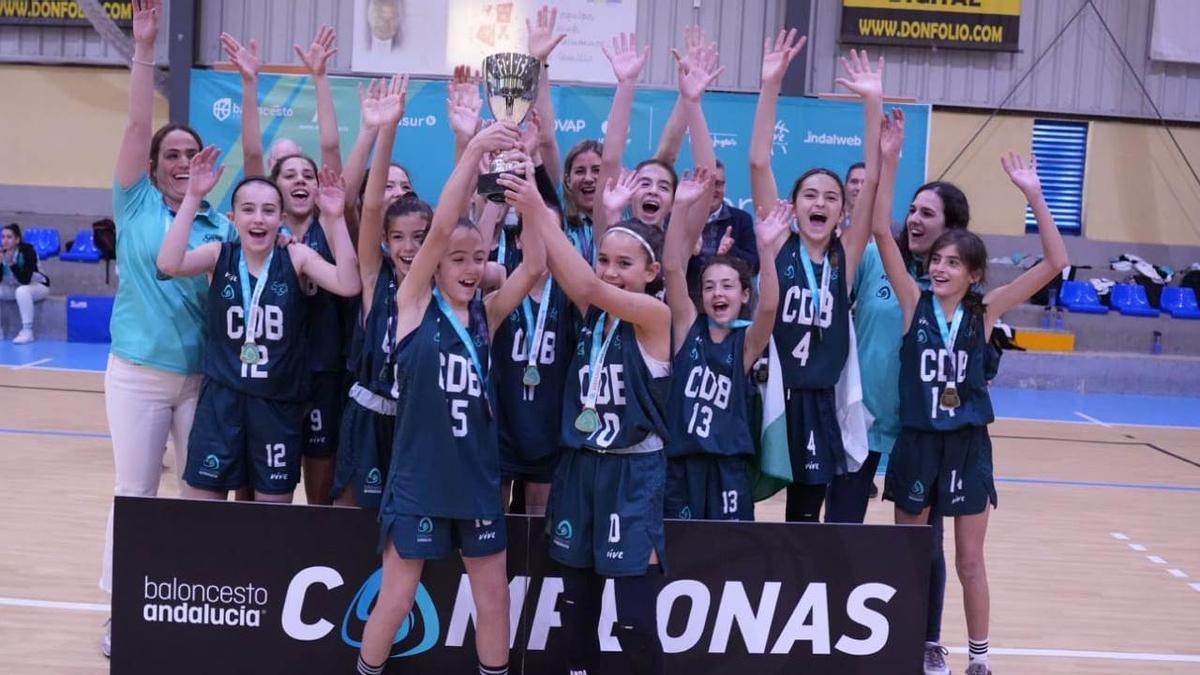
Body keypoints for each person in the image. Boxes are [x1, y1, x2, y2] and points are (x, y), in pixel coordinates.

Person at [874, 111, 1070, 675]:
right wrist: (889, 160)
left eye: (952, 262)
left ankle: (979, 660)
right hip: (916, 442)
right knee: (909, 557)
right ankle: (906, 646)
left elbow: (1056, 262)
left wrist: (1034, 195)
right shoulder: (913, 303)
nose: (939, 267)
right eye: (937, 260)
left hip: (966, 446)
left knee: (967, 559)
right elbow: (885, 233)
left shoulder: (987, 313)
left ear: (974, 275)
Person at [357, 123, 546, 675]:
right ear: (434, 265)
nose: (468, 268)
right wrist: (476, 151)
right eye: (457, 258)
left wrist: (529, 194)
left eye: (477, 258)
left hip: (477, 481)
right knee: (396, 596)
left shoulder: (486, 317)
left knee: (495, 600)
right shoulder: (413, 305)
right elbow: (440, 229)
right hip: (417, 479)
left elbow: (534, 266)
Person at [98, 0, 238, 657]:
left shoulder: (217, 225)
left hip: (201, 380)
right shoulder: (133, 200)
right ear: (153, 163)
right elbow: (133, 121)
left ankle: (191, 606)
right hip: (138, 374)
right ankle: (120, 610)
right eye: (172, 152)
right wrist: (145, 45)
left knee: (200, 495)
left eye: (193, 152)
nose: (184, 159)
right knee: (135, 491)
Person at [155, 149, 360, 504]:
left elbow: (348, 284)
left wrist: (335, 217)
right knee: (202, 514)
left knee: (271, 521)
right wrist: (192, 197)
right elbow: (169, 263)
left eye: (268, 211)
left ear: (281, 217)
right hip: (222, 402)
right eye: (248, 210)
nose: (259, 219)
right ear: (233, 218)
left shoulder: (295, 256)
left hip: (276, 405)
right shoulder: (218, 254)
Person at [750, 33, 883, 522]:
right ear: (793, 206)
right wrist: (771, 85)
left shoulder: (846, 255)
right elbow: (760, 160)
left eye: (830, 197)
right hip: (766, 393)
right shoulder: (778, 244)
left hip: (817, 400)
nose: (821, 203)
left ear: (843, 212)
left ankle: (795, 593)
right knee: (737, 501)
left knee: (804, 517)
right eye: (810, 195)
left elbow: (871, 179)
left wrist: (872, 102)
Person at [662, 167, 790, 521]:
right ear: (700, 296)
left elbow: (769, 306)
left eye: (728, 285)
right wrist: (680, 209)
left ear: (743, 294)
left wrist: (766, 249)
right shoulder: (688, 327)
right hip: (681, 466)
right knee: (680, 555)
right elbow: (673, 268)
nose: (717, 292)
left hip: (729, 468)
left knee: (730, 559)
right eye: (709, 286)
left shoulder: (746, 342)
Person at [332, 75, 419, 509]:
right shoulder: (373, 273)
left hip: (415, 422)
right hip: (367, 416)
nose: (409, 248)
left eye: (419, 238)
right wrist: (387, 129)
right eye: (399, 238)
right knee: (347, 524)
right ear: (386, 237)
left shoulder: (437, 285)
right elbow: (367, 209)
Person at [684, 159, 759, 299]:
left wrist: (730, 253)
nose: (712, 190)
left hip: (730, 307)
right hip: (686, 306)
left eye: (717, 184)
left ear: (725, 187)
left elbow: (754, 267)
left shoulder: (742, 219)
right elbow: (668, 270)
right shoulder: (679, 218)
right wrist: (688, 252)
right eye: (707, 184)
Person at [0, 224, 50, 343]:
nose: (5, 240)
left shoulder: (28, 251)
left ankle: (27, 331)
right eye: (3, 237)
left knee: (22, 291)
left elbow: (25, 280)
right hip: (13, 287)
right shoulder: (1, 252)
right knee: (19, 290)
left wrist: (11, 263)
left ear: (17, 239)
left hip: (37, 286)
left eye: (9, 237)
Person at [841, 161, 866, 231]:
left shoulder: (889, 229)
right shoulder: (831, 224)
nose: (859, 188)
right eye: (854, 182)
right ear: (844, 187)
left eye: (865, 183)